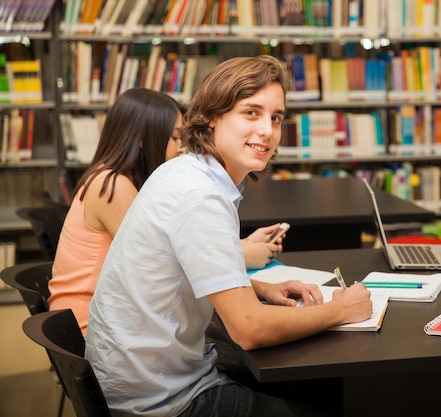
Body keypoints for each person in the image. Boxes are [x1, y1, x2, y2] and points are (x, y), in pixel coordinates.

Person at [85, 55, 372, 417]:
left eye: (276, 117)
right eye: (251, 113)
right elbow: (249, 329)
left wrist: (258, 289)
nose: (267, 130)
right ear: (210, 118)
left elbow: (183, 267)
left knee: (314, 387)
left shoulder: (184, 171)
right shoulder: (200, 196)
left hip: (137, 378)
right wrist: (339, 310)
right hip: (163, 400)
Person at [49, 87, 285, 336]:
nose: (181, 148)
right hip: (87, 326)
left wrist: (245, 262)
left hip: (102, 318)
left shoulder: (118, 178)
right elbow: (169, 260)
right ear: (142, 139)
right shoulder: (113, 186)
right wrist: (243, 252)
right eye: (174, 138)